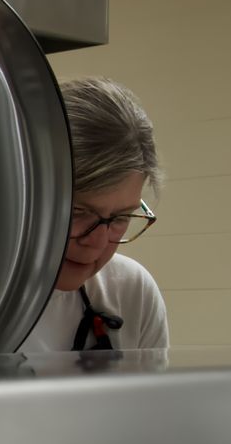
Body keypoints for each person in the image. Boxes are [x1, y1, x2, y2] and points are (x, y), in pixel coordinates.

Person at [18, 77, 171, 353]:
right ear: (23, 190)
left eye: (120, 218)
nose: (98, 242)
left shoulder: (130, 291)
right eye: (79, 211)